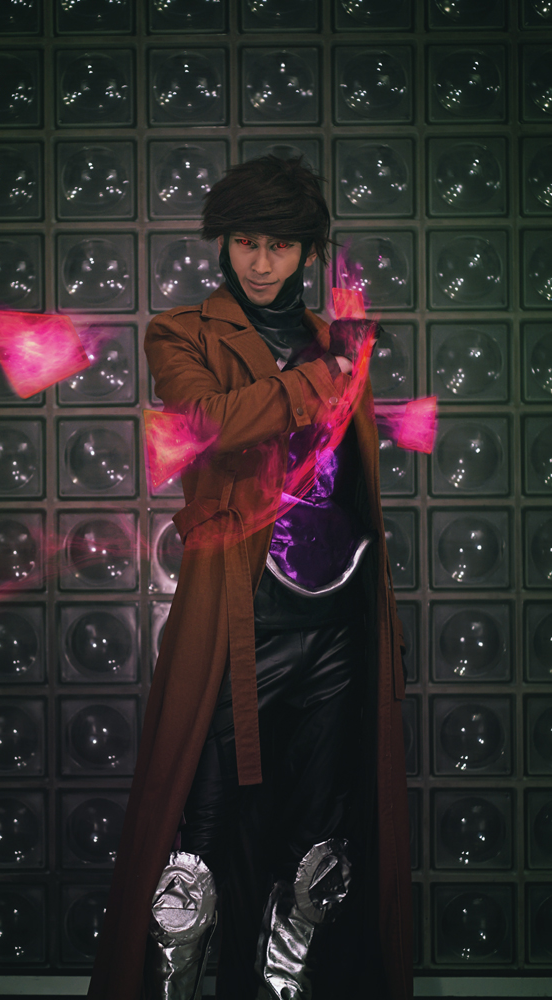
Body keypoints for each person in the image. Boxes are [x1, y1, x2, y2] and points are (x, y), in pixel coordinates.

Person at [88, 156, 412, 1000]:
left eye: (279, 245)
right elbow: (207, 423)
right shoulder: (182, 333)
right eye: (244, 243)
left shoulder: (335, 341)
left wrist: (381, 627)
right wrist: (323, 376)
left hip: (336, 622)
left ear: (307, 251)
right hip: (238, 620)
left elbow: (351, 482)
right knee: (192, 855)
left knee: (316, 849)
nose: (260, 263)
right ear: (222, 244)